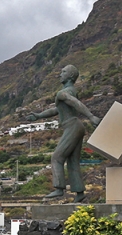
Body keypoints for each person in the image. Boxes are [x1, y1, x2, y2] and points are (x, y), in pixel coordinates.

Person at [26, 64, 101, 203]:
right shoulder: (70, 91)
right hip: (76, 126)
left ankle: (59, 188)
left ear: (71, 76)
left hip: (72, 126)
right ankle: (79, 193)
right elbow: (56, 110)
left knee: (57, 158)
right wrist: (38, 116)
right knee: (72, 161)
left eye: (63, 71)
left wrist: (91, 116)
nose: (60, 74)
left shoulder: (64, 93)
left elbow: (74, 103)